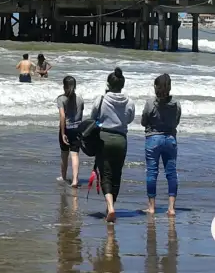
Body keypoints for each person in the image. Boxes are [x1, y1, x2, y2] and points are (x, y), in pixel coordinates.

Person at [89, 67, 136, 222]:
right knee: (117, 175)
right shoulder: (129, 101)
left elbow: (93, 116)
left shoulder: (101, 99)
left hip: (104, 138)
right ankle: (111, 207)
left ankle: (110, 207)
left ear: (108, 84)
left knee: (106, 175)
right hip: (121, 140)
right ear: (122, 85)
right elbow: (129, 119)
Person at [142, 73, 181, 216]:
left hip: (153, 139)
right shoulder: (176, 103)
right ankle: (171, 208)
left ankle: (151, 207)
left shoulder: (151, 103)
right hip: (170, 139)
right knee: (171, 173)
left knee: (152, 173)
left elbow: (143, 121)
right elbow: (176, 121)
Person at [57, 75, 85, 187]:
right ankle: (75, 180)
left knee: (64, 154)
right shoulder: (80, 99)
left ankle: (63, 176)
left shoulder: (61, 99)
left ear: (64, 86)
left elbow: (62, 116)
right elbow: (80, 115)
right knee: (75, 155)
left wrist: (63, 133)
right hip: (77, 128)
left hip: (66, 128)